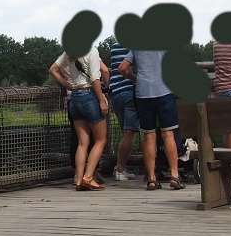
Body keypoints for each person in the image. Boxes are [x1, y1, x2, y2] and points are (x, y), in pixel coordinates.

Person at [118, 48, 184, 191]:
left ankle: (152, 179)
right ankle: (174, 176)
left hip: (143, 93)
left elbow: (122, 68)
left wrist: (136, 79)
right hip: (165, 91)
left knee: (149, 135)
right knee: (168, 134)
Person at [49, 46, 111, 191]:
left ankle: (79, 179)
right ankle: (88, 177)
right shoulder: (91, 50)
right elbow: (95, 78)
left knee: (82, 143)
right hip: (89, 95)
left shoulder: (70, 52)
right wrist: (102, 100)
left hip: (75, 97)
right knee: (101, 140)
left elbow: (53, 69)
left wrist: (67, 85)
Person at [105, 37, 140, 181]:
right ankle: (120, 169)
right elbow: (130, 67)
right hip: (129, 91)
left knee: (125, 131)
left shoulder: (114, 47)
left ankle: (121, 167)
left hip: (115, 93)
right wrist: (137, 80)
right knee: (129, 132)